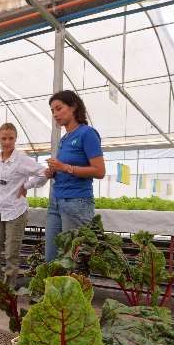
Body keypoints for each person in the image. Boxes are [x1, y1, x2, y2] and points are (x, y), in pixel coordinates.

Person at [0, 122, 49, 299]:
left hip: (16, 211)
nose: (7, 142)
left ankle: (8, 290)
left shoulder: (21, 159)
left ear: (16, 139)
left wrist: (27, 185)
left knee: (11, 252)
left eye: (10, 138)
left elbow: (44, 172)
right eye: (3, 138)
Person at [44, 90, 106, 262]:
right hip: (56, 201)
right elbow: (65, 169)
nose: (55, 114)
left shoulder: (87, 133)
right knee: (51, 258)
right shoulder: (64, 139)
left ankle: (75, 289)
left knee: (73, 261)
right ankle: (51, 289)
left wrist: (65, 167)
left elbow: (99, 171)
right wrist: (53, 171)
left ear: (73, 107)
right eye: (52, 111)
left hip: (77, 202)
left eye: (59, 108)